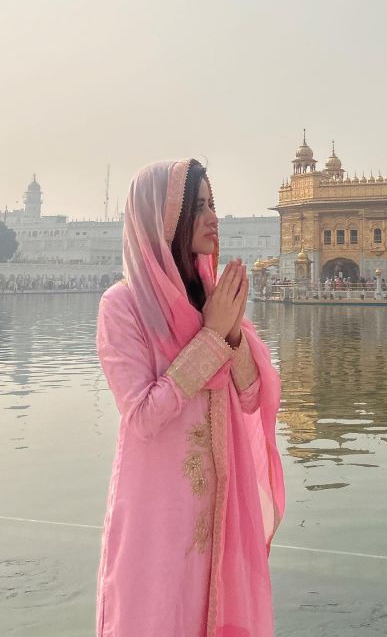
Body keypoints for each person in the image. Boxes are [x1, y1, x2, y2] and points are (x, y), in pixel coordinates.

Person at [96, 159, 285, 637]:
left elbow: (251, 397)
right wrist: (212, 336)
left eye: (212, 205)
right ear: (165, 218)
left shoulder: (209, 298)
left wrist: (232, 334)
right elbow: (142, 416)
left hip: (222, 506)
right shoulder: (124, 306)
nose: (213, 218)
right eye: (197, 207)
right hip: (160, 513)